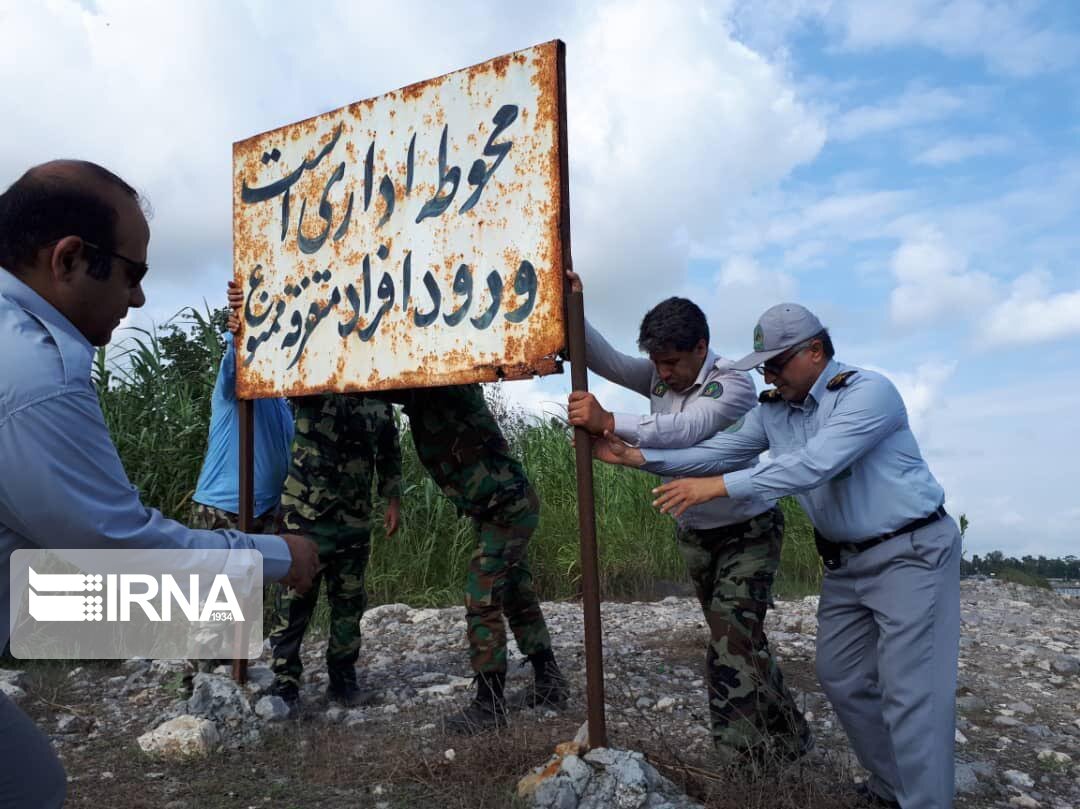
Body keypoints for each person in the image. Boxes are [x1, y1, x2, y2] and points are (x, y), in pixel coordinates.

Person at [0, 160, 319, 809]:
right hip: (227, 509)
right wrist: (284, 556)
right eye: (133, 273)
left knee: (32, 780)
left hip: (253, 509)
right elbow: (118, 549)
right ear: (67, 258)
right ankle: (201, 697)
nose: (139, 297)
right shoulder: (37, 373)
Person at [592, 303, 960, 809]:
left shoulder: (866, 394)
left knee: (912, 695)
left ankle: (924, 801)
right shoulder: (775, 410)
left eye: (777, 364)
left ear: (815, 351)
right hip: (846, 564)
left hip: (910, 554)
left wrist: (716, 488)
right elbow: (723, 452)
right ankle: (890, 789)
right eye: (763, 365)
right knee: (842, 677)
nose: (768, 375)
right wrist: (639, 457)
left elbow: (812, 466)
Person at [226, 289, 568, 734]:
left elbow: (390, 393)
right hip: (485, 509)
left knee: (482, 594)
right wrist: (246, 322)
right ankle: (549, 680)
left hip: (508, 506)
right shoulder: (411, 394)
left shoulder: (451, 386)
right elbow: (294, 359)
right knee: (514, 590)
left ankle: (490, 704)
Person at [564, 270, 811, 764]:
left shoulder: (733, 384)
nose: (663, 373)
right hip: (698, 534)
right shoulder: (660, 373)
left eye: (672, 362)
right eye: (656, 362)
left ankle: (741, 766)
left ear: (701, 347)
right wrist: (575, 304)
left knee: (728, 643)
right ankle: (791, 734)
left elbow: (687, 429)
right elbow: (606, 360)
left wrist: (611, 422)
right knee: (740, 640)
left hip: (748, 530)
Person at [184, 289, 296, 692]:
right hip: (223, 509)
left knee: (248, 599)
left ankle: (236, 678)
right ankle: (197, 683)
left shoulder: (280, 400)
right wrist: (240, 327)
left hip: (263, 510)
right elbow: (237, 357)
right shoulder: (237, 385)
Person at [267, 392, 402, 711]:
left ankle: (343, 681)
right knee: (294, 602)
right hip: (305, 518)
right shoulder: (312, 384)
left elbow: (389, 450)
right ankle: (285, 682)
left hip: (353, 518)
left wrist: (393, 499)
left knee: (349, 602)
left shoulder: (377, 397)